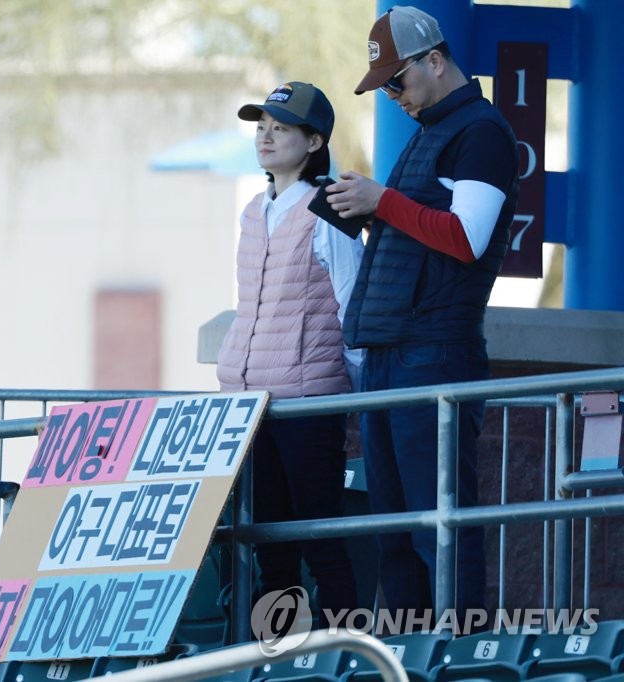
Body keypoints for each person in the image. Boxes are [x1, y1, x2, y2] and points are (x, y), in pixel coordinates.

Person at [326, 6, 519, 630]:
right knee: (397, 530)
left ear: (434, 61)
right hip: (391, 352)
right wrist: (370, 210)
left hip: (433, 351)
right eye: (383, 87)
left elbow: (466, 238)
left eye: (396, 82)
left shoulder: (482, 132)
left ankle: (456, 657)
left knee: (441, 525)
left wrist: (383, 201)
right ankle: (405, 659)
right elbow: (422, 229)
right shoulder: (434, 129)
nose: (392, 96)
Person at [217, 82, 365, 622]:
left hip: (308, 401)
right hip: (251, 403)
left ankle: (346, 653)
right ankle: (276, 657)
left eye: (282, 128)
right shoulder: (254, 210)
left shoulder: (330, 208)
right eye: (262, 127)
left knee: (320, 536)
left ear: (313, 141)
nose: (267, 137)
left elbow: (354, 308)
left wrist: (357, 394)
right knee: (269, 545)